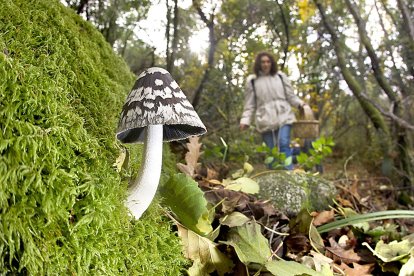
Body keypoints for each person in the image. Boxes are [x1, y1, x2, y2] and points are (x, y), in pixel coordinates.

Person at [239, 51, 308, 170]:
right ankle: (273, 176)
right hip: (265, 118)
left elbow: (291, 96)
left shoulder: (280, 77)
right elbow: (249, 104)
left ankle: (288, 174)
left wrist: (301, 104)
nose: (265, 64)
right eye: (263, 62)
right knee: (271, 150)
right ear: (258, 64)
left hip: (284, 115)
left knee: (283, 143)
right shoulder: (252, 81)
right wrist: (245, 120)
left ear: (271, 63)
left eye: (268, 61)